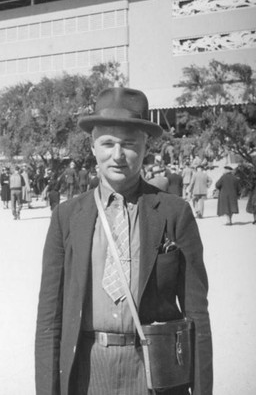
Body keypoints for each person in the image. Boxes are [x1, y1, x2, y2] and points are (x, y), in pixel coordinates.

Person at [35, 87, 212, 395]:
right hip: (86, 371)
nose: (117, 155)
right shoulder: (66, 217)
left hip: (153, 372)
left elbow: (197, 316)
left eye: (129, 144)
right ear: (92, 147)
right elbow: (49, 319)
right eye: (107, 143)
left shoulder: (174, 213)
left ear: (145, 148)